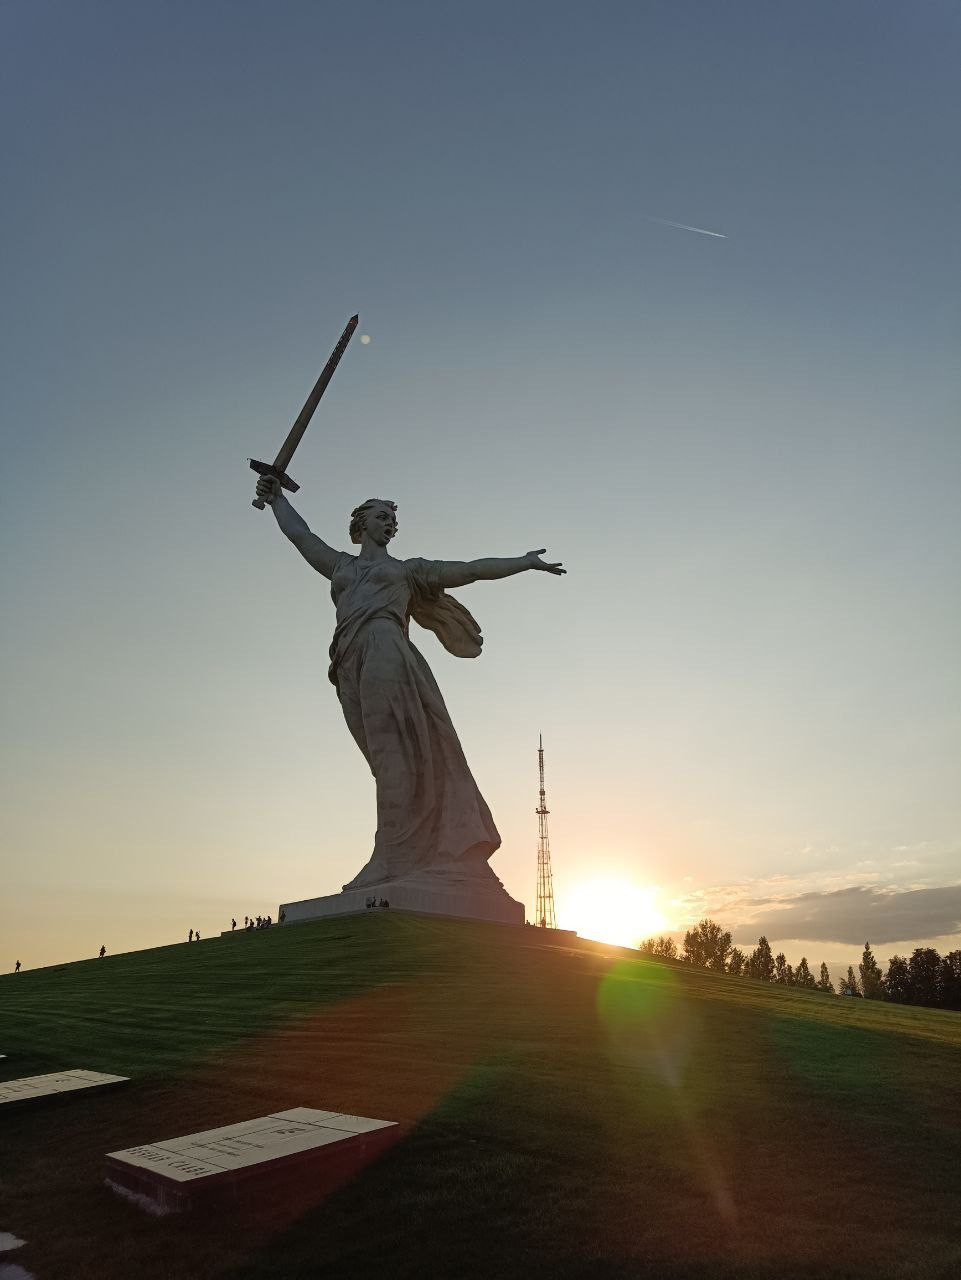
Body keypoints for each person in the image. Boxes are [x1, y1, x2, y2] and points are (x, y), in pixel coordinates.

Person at [255, 478, 564, 888]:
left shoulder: (406, 571)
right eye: (383, 516)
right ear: (361, 523)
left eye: (394, 520)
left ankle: (391, 854)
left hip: (386, 648)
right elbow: (301, 535)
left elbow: (469, 570)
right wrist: (276, 499)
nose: (391, 524)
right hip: (346, 659)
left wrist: (523, 562)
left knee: (390, 754)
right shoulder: (341, 566)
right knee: (381, 760)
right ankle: (403, 849)